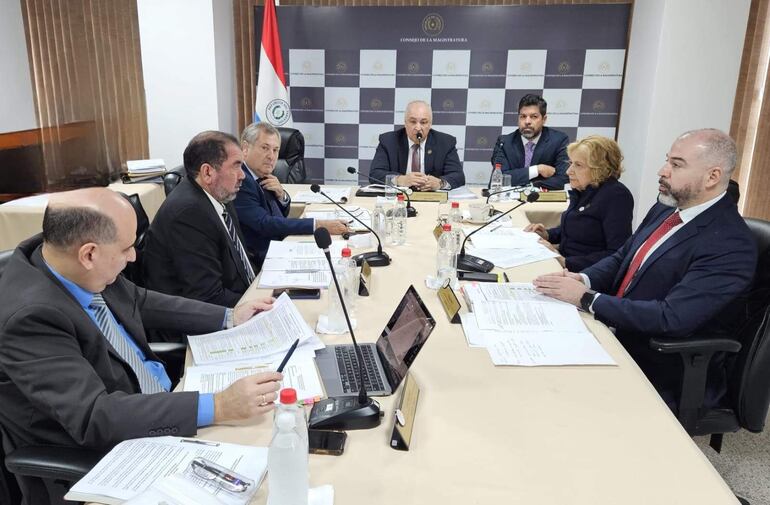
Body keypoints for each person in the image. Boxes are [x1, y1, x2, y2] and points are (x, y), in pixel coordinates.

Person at [0, 188, 282, 504]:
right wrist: (217, 406)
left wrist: (229, 316)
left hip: (163, 403)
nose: (134, 256)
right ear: (89, 254)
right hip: (121, 443)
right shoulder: (30, 318)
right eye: (126, 249)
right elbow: (95, 416)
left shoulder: (70, 260)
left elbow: (138, 299)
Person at [533, 129, 757, 408]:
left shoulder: (729, 243)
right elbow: (624, 256)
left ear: (712, 176)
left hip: (659, 362)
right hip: (615, 329)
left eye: (676, 165)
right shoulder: (668, 209)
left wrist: (586, 298)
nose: (662, 171)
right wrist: (584, 278)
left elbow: (672, 318)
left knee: (547, 391)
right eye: (667, 161)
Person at [143, 131, 255, 308]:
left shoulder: (220, 195)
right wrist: (261, 304)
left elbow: (241, 262)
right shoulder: (189, 214)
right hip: (204, 320)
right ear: (208, 172)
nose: (243, 175)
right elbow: (207, 297)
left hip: (241, 295)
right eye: (236, 166)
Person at [234, 122, 348, 267]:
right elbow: (265, 223)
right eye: (265, 148)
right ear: (245, 148)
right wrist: (316, 225)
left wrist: (282, 195)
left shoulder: (262, 175)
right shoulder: (241, 180)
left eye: (276, 150)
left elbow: (281, 212)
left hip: (280, 246)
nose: (271, 156)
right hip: (262, 259)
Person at [524, 136, 633, 271]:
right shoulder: (584, 189)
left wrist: (565, 262)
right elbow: (575, 230)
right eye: (570, 163)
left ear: (600, 168)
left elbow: (616, 253)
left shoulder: (616, 196)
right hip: (565, 265)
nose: (568, 171)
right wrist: (547, 234)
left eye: (578, 165)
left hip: (586, 275)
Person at [369, 100, 465, 191]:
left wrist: (439, 183)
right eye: (413, 122)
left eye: (423, 122)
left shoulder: (445, 142)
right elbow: (375, 174)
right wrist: (400, 180)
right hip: (399, 199)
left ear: (430, 124)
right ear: (405, 123)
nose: (418, 128)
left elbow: (458, 176)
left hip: (431, 199)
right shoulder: (388, 141)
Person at [492, 94, 569, 190]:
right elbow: (497, 179)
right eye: (523, 116)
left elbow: (564, 180)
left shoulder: (558, 140)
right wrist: (537, 170)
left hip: (543, 202)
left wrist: (528, 186)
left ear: (544, 119)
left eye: (534, 117)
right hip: (510, 202)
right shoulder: (504, 142)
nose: (527, 121)